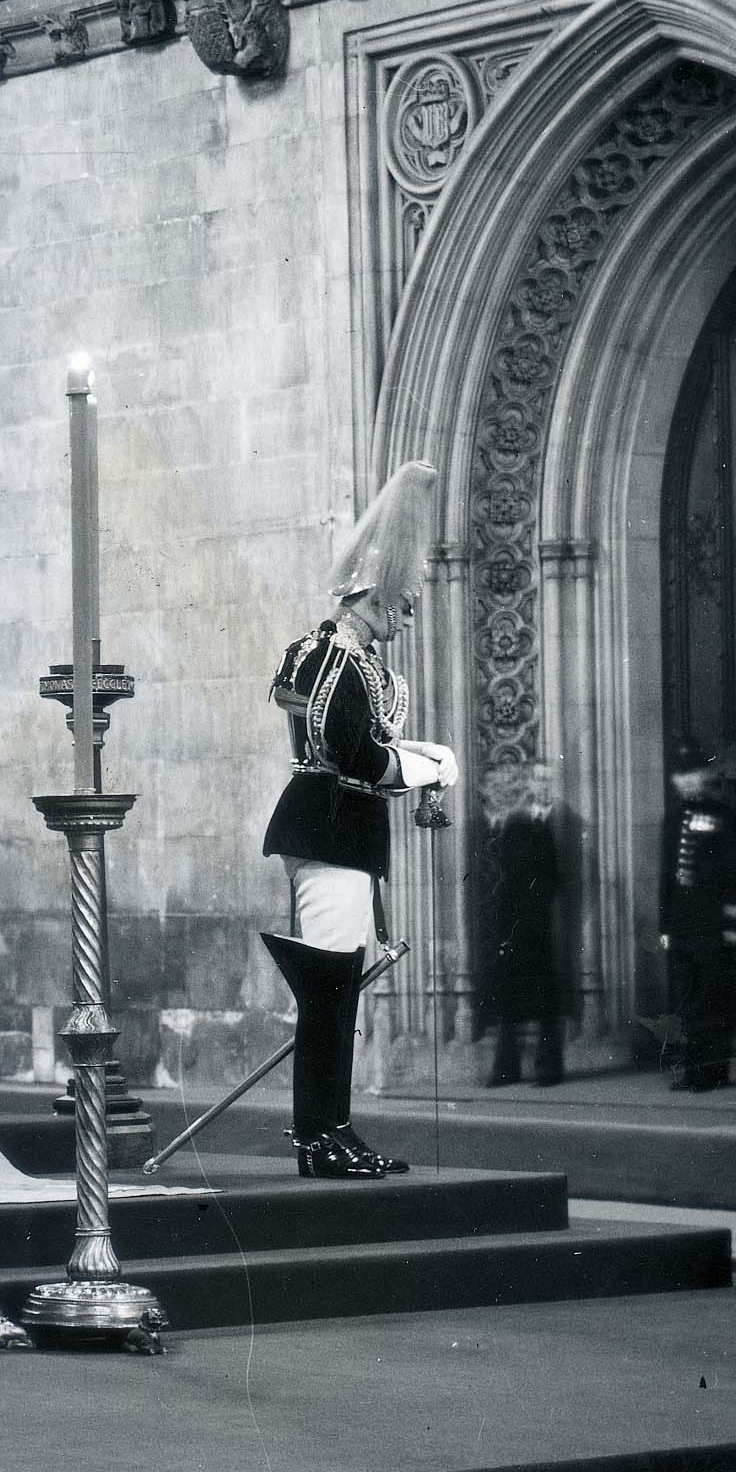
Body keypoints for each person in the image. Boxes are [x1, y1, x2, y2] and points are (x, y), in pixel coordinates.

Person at [261, 463, 458, 1177]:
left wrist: (415, 752)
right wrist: (421, 767)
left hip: (341, 829)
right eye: (399, 606)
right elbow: (349, 752)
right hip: (328, 825)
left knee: (336, 988)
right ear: (370, 598)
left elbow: (361, 744)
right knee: (330, 987)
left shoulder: (351, 662)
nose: (404, 619)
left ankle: (332, 1131)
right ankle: (320, 1139)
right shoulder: (334, 659)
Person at [660, 738, 736, 1092]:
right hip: (682, 927)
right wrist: (664, 924)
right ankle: (695, 1072)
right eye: (680, 775)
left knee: (714, 1001)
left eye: (692, 774)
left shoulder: (724, 817)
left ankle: (713, 1073)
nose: (685, 781)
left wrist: (734, 924)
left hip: (714, 928)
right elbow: (667, 878)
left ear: (705, 776)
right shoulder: (673, 818)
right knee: (688, 1005)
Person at [479, 762, 565, 1088]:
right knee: (509, 998)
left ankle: (548, 1067)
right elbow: (506, 878)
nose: (541, 786)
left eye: (547, 780)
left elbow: (552, 877)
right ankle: (506, 1068)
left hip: (540, 925)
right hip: (514, 925)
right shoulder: (515, 825)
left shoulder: (548, 825)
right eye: (536, 780)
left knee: (545, 999)